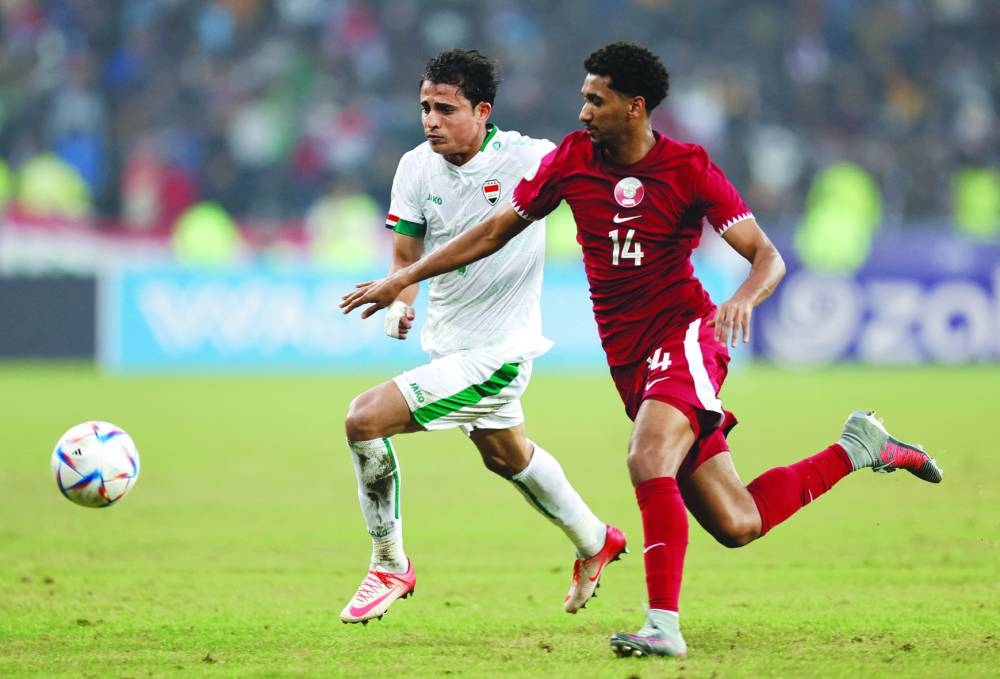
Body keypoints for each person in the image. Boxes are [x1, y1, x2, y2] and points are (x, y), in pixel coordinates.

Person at [341, 42, 943, 656]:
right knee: (737, 522)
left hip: (684, 336)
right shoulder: (572, 161)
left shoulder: (689, 168)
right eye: (582, 98)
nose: (581, 112)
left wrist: (742, 301)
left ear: (634, 107)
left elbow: (768, 255)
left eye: (594, 100)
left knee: (646, 455)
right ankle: (859, 447)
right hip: (629, 361)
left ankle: (663, 625)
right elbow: (495, 231)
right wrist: (402, 280)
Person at [339, 48, 626, 626]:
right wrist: (401, 301)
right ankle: (596, 539)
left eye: (445, 109)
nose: (430, 121)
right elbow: (406, 257)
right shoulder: (415, 167)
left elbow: (610, 177)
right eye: (424, 107)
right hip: (449, 345)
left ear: (482, 110)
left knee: (363, 420)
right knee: (506, 455)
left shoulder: (531, 159)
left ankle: (389, 562)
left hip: (500, 352)